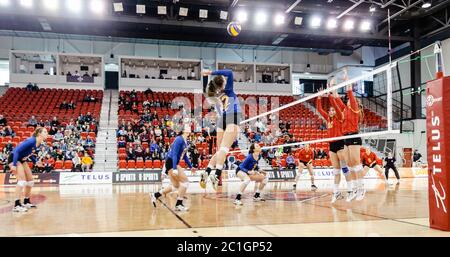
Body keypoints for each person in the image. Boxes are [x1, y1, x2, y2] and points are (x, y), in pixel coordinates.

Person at [200, 69, 242, 191]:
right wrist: (211, 72)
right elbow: (229, 73)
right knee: (224, 150)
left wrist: (205, 77)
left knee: (220, 151)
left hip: (221, 119)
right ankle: (217, 175)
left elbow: (205, 90)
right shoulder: (228, 90)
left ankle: (207, 171)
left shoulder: (214, 95)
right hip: (233, 116)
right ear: (223, 83)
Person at [333, 69, 365, 201]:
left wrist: (346, 79)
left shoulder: (354, 107)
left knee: (356, 163)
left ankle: (361, 189)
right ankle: (353, 190)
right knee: (349, 163)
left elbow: (349, 92)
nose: (347, 101)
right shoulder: (345, 110)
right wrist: (332, 88)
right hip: (346, 137)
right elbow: (336, 99)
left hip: (354, 136)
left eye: (349, 100)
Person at [317, 82, 351, 203]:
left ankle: (351, 189)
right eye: (330, 110)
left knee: (345, 167)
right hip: (331, 145)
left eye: (332, 110)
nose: (331, 111)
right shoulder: (328, 119)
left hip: (340, 143)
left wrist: (330, 93)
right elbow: (319, 109)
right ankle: (336, 192)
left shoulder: (340, 117)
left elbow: (336, 107)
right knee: (336, 171)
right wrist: (320, 97)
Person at [151, 125, 196, 211]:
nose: (189, 128)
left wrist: (191, 167)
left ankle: (155, 195)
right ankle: (179, 204)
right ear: (183, 130)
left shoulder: (185, 141)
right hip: (171, 162)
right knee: (185, 182)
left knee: (175, 186)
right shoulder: (179, 139)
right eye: (187, 127)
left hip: (172, 163)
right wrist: (175, 168)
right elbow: (175, 154)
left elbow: (185, 156)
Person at [8, 127, 48, 212]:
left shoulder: (38, 143)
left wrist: (35, 161)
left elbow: (30, 153)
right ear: (39, 134)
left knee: (30, 181)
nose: (47, 133)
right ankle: (16, 205)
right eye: (45, 132)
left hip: (22, 159)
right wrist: (14, 165)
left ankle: (26, 201)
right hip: (14, 159)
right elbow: (16, 151)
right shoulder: (31, 141)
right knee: (22, 181)